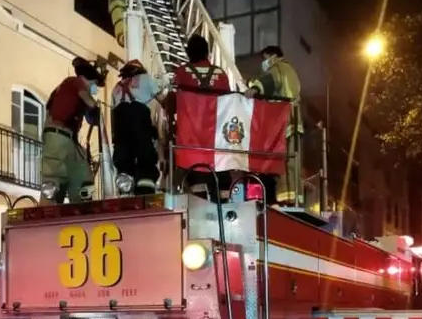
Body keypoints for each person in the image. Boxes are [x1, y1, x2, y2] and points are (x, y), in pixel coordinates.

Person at [171, 35, 232, 199]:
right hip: (218, 144)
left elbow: (171, 101)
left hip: (191, 146)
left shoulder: (182, 73)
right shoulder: (220, 74)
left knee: (198, 197)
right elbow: (230, 103)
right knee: (223, 195)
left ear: (189, 53)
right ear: (207, 52)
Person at [245, 45, 302, 206]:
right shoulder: (292, 71)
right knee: (292, 163)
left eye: (265, 59)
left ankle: (283, 199)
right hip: (295, 121)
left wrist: (254, 88)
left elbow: (270, 80)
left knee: (280, 161)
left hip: (282, 121)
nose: (264, 63)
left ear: (273, 56)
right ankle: (293, 199)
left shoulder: (278, 67)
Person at [41, 57, 104, 204]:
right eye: (94, 84)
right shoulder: (75, 82)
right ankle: (49, 213)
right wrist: (95, 108)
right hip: (58, 136)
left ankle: (82, 207)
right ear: (88, 79)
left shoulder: (61, 90)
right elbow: (88, 100)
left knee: (83, 176)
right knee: (54, 179)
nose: (94, 89)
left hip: (66, 138)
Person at [111, 59, 166, 195]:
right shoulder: (146, 79)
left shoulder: (116, 88)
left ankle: (125, 193)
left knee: (124, 166)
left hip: (121, 135)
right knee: (146, 164)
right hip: (141, 130)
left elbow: (113, 117)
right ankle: (145, 193)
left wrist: (115, 138)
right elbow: (164, 101)